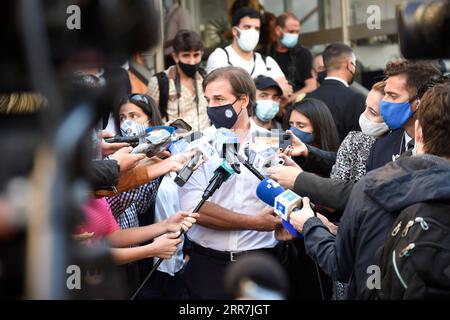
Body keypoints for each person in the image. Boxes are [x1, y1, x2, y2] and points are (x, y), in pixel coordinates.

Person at [288, 79, 450, 299]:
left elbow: (339, 265)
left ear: (419, 131)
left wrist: (309, 225)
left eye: (393, 96)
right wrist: (338, 230)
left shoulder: (376, 185)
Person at [269, 60, 441, 213]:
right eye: (386, 93)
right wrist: (307, 154)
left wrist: (300, 179)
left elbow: (366, 192)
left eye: (392, 96)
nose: (385, 101)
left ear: (419, 102)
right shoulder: (382, 146)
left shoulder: (440, 146)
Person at [179, 66, 282, 299]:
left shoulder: (274, 143)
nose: (212, 107)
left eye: (219, 99)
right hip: (208, 266)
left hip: (259, 264)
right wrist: (254, 222)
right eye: (208, 100)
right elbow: (194, 208)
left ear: (243, 100)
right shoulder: (198, 145)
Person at [206, 7, 292, 98]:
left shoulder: (267, 62)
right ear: (235, 31)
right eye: (247, 27)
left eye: (257, 28)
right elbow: (219, 92)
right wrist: (270, 91)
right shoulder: (220, 57)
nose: (253, 32)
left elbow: (286, 91)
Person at [148, 30, 210, 131]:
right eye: (186, 55)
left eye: (196, 55)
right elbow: (149, 118)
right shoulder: (160, 82)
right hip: (174, 144)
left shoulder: (206, 78)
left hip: (205, 142)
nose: (192, 61)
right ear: (175, 57)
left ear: (202, 54)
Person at [306, 43, 366, 142]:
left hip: (309, 155)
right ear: (350, 65)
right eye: (354, 64)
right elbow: (360, 144)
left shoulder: (308, 98)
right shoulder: (355, 99)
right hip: (340, 157)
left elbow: (288, 136)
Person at [260, 12, 316, 101]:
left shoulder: (304, 54)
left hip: (295, 106)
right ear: (278, 30)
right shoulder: (263, 54)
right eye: (291, 31)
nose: (295, 35)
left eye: (297, 32)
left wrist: (287, 102)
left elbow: (311, 86)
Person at [282, 98, 340, 177]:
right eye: (291, 124)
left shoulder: (335, 162)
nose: (292, 130)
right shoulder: (284, 144)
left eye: (301, 125)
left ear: (318, 128)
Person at [162, 0, 193, 68]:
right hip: (167, 57)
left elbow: (185, 35)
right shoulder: (166, 14)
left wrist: (166, 44)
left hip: (176, 56)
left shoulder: (181, 12)